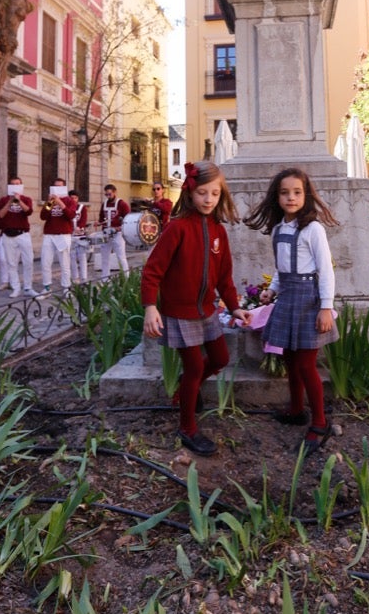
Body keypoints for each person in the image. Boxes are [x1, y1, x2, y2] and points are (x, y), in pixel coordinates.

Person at [141, 160, 250, 456]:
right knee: (194, 367)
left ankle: (185, 390)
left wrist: (234, 307)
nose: (208, 199)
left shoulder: (218, 232)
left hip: (207, 311)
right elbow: (152, 270)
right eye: (202, 193)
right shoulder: (177, 228)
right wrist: (151, 307)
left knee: (220, 358)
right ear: (190, 192)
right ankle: (187, 428)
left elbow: (224, 277)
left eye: (214, 193)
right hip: (179, 313)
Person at [244, 167, 339, 455]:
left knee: (306, 364)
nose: (291, 197)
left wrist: (326, 307)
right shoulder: (278, 229)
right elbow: (281, 267)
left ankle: (319, 423)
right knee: (289, 358)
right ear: (277, 197)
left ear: (306, 195)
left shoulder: (313, 229)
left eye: (297, 192)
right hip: (287, 297)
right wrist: (272, 289)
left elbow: (326, 269)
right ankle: (296, 409)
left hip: (308, 299)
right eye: (285, 193)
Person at [0, 176, 36, 297]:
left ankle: (31, 287)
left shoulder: (26, 199)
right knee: (11, 263)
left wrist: (19, 201)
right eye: (13, 184)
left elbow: (29, 212)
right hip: (9, 234)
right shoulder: (4, 200)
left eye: (18, 184)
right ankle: (15, 287)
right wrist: (10, 202)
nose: (15, 187)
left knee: (29, 262)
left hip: (23, 234)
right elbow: (45, 214)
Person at [39, 178, 76, 293]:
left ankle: (66, 287)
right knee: (45, 262)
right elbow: (43, 216)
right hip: (49, 234)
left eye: (60, 186)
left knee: (64, 263)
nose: (57, 188)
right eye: (55, 186)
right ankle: (47, 287)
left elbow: (70, 215)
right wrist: (49, 202)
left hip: (63, 234)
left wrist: (59, 202)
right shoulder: (50, 201)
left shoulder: (69, 201)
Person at [98, 184, 130, 280]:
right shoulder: (104, 204)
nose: (108, 196)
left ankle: (126, 278)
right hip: (106, 233)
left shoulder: (122, 204)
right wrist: (98, 223)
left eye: (109, 194)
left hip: (118, 234)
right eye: (106, 194)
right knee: (104, 258)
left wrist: (119, 228)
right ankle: (105, 279)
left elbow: (128, 220)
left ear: (115, 192)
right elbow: (101, 218)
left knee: (121, 257)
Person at [68, 189, 90, 285]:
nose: (73, 200)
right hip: (70, 235)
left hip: (80, 235)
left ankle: (84, 277)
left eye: (75, 198)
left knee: (82, 257)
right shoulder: (66, 208)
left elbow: (83, 219)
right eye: (71, 198)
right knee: (72, 257)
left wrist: (80, 227)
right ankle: (75, 277)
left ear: (78, 199)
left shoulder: (82, 208)